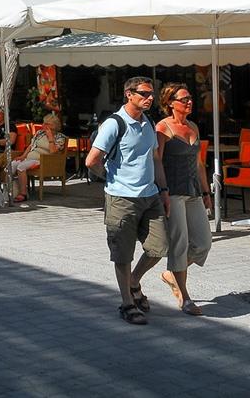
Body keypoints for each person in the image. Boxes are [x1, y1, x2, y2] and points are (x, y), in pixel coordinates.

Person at [86, 76, 170, 326]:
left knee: (159, 247)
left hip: (150, 195)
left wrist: (163, 190)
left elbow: (155, 159)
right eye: (144, 94)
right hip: (121, 198)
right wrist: (111, 180)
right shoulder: (114, 124)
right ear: (129, 94)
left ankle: (133, 281)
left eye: (151, 93)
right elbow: (92, 161)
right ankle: (127, 302)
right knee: (123, 254)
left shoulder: (148, 123)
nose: (150, 98)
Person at [156, 83, 212, 316]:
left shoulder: (193, 127)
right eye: (184, 99)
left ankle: (171, 274)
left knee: (203, 242)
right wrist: (163, 191)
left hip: (193, 192)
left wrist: (207, 192)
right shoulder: (162, 128)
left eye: (190, 98)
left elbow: (199, 163)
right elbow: (156, 161)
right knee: (179, 244)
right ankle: (185, 297)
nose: (189, 102)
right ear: (170, 103)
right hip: (174, 192)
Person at [9, 112, 64, 203]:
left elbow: (53, 151)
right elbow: (31, 146)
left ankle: (23, 194)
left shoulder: (60, 137)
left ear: (54, 126)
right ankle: (11, 191)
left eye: (47, 124)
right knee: (12, 165)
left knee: (21, 167)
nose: (43, 125)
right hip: (30, 158)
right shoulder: (39, 133)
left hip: (43, 160)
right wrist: (23, 156)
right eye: (44, 123)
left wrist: (50, 138)